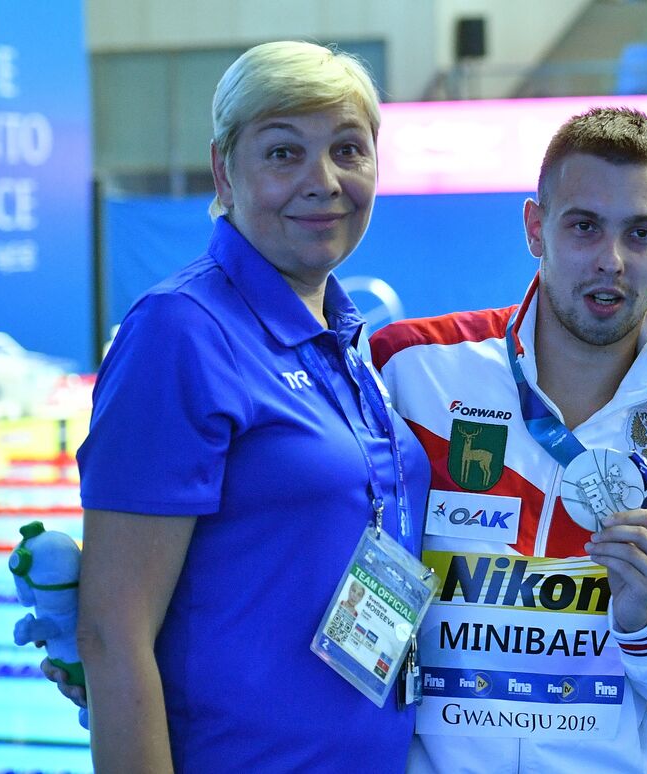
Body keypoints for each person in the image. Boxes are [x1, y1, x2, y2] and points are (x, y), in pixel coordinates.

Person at [67, 41, 429, 772]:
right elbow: (112, 631)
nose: (323, 182)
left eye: (348, 150)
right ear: (224, 173)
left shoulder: (344, 338)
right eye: (283, 153)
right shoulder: (181, 331)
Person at [369, 107, 647, 774]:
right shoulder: (414, 371)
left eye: (640, 233)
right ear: (534, 227)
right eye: (584, 226)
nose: (611, 261)